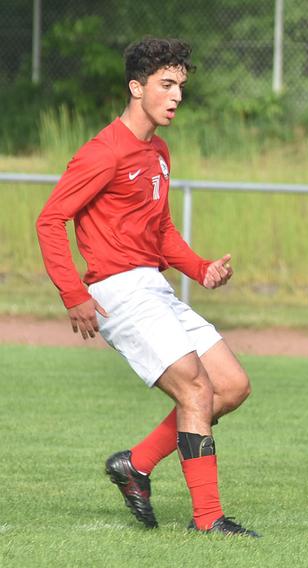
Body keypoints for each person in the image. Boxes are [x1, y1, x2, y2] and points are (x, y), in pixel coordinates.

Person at [35, 38, 258, 537]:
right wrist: (74, 294)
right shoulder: (103, 152)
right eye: (166, 84)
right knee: (197, 387)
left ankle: (135, 465)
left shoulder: (159, 150)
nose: (177, 95)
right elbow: (50, 220)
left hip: (154, 288)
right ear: (136, 87)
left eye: (181, 85)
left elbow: (159, 233)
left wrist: (201, 269)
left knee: (232, 386)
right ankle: (209, 521)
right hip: (118, 292)